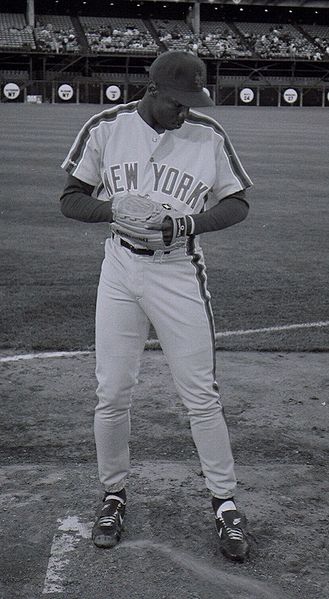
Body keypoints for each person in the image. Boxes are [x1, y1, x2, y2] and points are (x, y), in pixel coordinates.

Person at [60, 50, 253, 562]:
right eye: (177, 103)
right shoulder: (106, 126)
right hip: (120, 270)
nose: (184, 112)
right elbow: (70, 197)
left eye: (192, 103)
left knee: (200, 396)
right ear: (153, 90)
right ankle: (113, 494)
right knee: (112, 391)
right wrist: (111, 209)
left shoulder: (207, 135)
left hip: (178, 271)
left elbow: (237, 203)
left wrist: (185, 224)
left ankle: (225, 503)